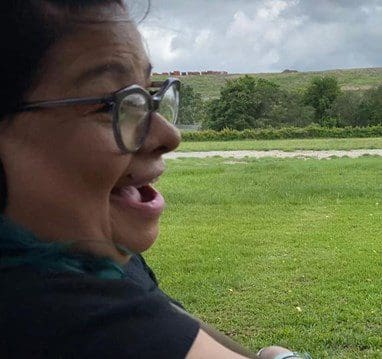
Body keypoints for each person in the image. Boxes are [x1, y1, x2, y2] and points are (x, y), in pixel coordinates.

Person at [0, 1, 311, 358]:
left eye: (147, 95)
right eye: (110, 105)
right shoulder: (70, 319)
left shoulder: (104, 263)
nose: (168, 135)